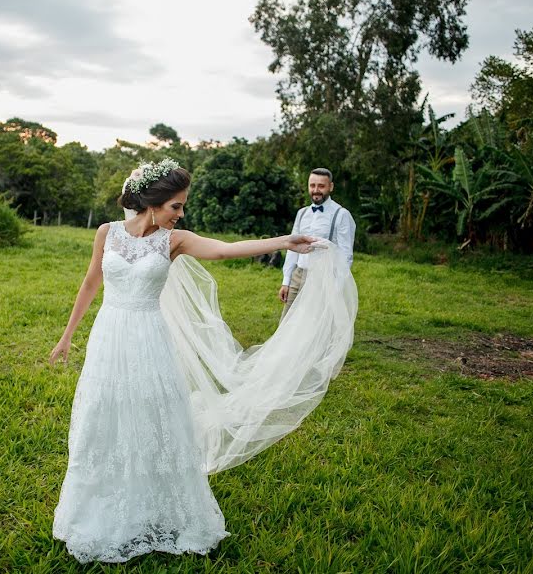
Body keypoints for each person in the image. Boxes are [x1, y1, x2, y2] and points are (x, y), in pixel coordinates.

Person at [49, 159, 357, 564]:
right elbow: (91, 281)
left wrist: (283, 241)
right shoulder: (106, 233)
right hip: (110, 336)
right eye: (176, 206)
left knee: (154, 416)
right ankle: (100, 504)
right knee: (104, 413)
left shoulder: (174, 240)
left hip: (149, 338)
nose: (181, 213)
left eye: (181, 206)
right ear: (154, 202)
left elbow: (225, 251)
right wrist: (68, 335)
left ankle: (157, 504)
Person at [279, 167, 356, 320]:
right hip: (298, 274)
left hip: (324, 278)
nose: (316, 190)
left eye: (321, 186)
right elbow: (292, 248)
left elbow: (346, 256)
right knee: (286, 323)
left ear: (331, 187)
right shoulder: (302, 213)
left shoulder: (341, 215)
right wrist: (286, 281)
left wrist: (336, 287)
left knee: (313, 325)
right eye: (312, 185)